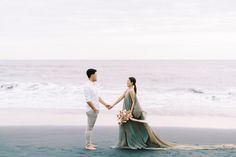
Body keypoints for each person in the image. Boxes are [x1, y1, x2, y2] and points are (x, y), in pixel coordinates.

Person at [109, 77, 176, 149]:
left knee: (131, 127)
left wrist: (130, 113)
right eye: (127, 81)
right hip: (125, 110)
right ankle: (125, 143)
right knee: (125, 126)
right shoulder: (127, 90)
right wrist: (112, 105)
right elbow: (121, 97)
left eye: (128, 81)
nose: (127, 82)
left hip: (128, 111)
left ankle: (134, 143)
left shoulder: (131, 91)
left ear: (132, 83)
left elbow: (134, 102)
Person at [83, 68, 111, 151]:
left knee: (90, 128)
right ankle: (88, 145)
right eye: (96, 74)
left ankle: (89, 143)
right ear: (91, 75)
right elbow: (88, 100)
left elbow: (97, 97)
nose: (97, 76)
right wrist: (94, 109)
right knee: (89, 128)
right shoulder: (87, 86)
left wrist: (105, 104)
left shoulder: (93, 85)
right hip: (91, 110)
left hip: (94, 109)